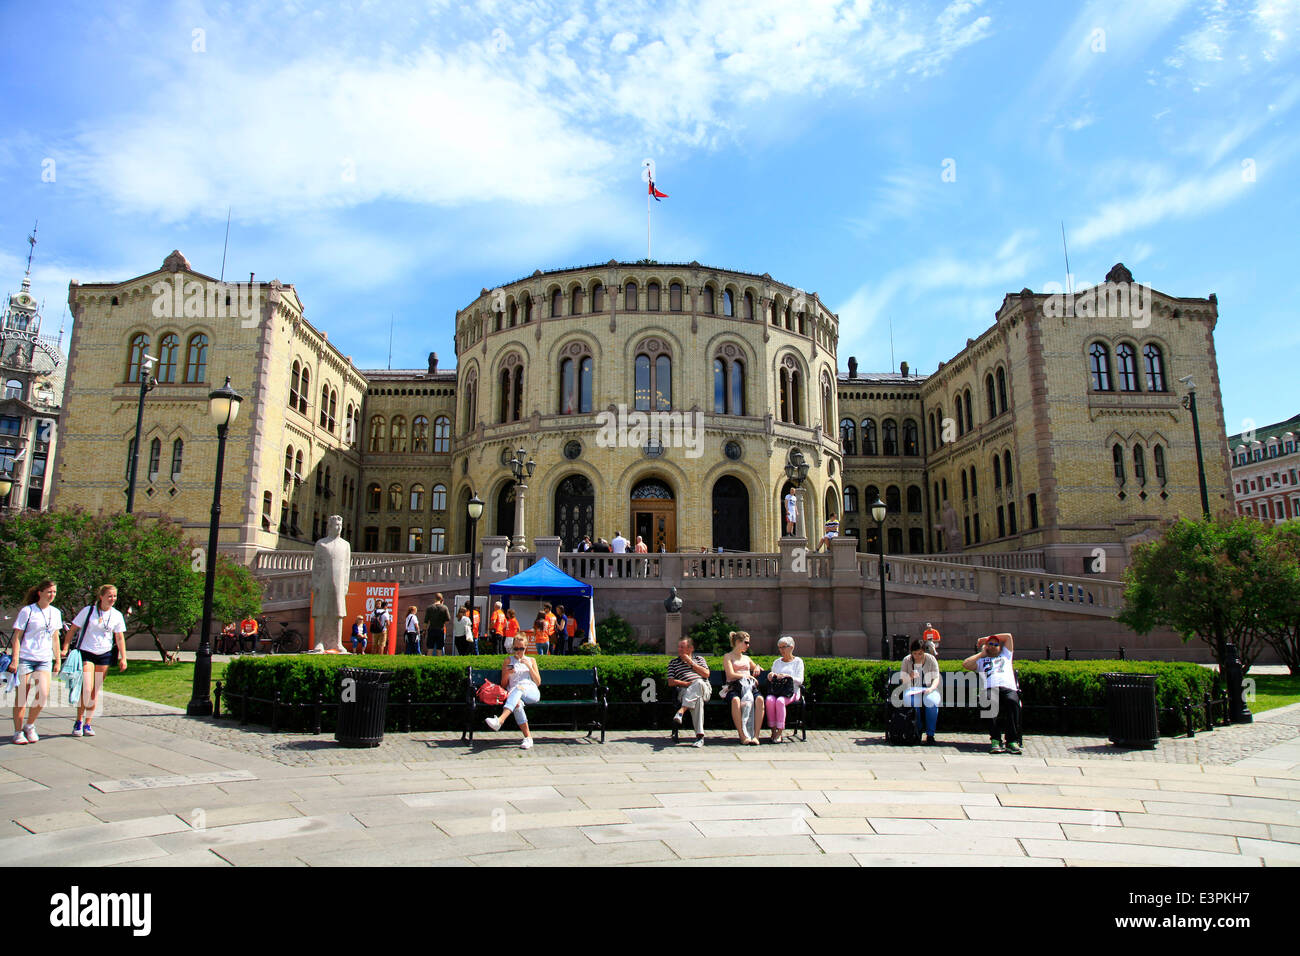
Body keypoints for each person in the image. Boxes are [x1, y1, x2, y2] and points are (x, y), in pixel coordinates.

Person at [62, 584, 128, 737]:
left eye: (115, 596)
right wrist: (65, 647)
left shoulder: (116, 615)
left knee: (94, 691)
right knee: (87, 688)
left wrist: (123, 657)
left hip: (104, 654)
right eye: (109, 596)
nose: (112, 599)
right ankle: (78, 720)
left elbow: (119, 637)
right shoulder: (89, 611)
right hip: (87, 652)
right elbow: (73, 629)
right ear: (101, 596)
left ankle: (88, 723)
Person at [8, 580, 63, 745]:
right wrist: (15, 659)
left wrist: (57, 659)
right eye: (49, 591)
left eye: (54, 592)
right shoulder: (28, 611)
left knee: (43, 694)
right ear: (40, 593)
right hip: (26, 658)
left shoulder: (55, 612)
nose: (52, 595)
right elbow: (17, 636)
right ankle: (18, 732)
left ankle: (29, 725)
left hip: (44, 659)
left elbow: (55, 637)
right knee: (22, 697)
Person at [963, 632, 1021, 754]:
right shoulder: (981, 661)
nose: (994, 645)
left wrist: (986, 639)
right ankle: (995, 739)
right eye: (991, 644)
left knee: (1012, 702)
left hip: (1008, 688)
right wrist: (983, 653)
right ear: (986, 647)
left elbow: (1008, 636)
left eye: (996, 644)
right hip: (990, 689)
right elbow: (966, 664)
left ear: (1000, 647)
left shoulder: (1006, 655)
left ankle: (1011, 741)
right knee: (988, 702)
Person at [484, 636, 542, 749]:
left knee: (519, 688)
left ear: (526, 647)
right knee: (517, 704)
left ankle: (500, 720)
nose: (518, 651)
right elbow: (504, 685)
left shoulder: (531, 660)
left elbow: (538, 682)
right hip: (514, 695)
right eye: (516, 649)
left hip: (531, 692)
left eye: (521, 649)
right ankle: (528, 738)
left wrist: (529, 667)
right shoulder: (508, 660)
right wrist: (507, 673)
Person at [721, 630, 764, 745]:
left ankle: (756, 736)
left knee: (759, 700)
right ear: (738, 642)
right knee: (735, 700)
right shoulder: (728, 656)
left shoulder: (747, 658)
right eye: (746, 642)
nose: (748, 645)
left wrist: (757, 667)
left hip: (749, 687)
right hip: (734, 687)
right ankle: (742, 735)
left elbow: (756, 667)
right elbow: (730, 675)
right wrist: (747, 675)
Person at [667, 637, 710, 747]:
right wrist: (686, 684)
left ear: (691, 648)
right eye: (679, 647)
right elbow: (671, 682)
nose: (679, 649)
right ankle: (700, 737)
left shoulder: (699, 659)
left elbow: (706, 674)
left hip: (704, 688)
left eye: (682, 647)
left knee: (699, 682)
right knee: (698, 700)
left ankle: (681, 711)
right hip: (685, 691)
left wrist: (690, 662)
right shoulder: (673, 663)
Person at [900, 638, 940, 745]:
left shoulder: (931, 659)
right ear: (911, 653)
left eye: (920, 653)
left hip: (928, 688)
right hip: (912, 688)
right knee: (912, 702)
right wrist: (910, 676)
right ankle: (916, 730)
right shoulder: (907, 660)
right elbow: (903, 680)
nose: (917, 656)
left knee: (931, 702)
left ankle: (930, 734)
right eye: (915, 654)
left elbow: (936, 678)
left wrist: (931, 688)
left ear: (924, 652)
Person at [765, 636, 804, 744]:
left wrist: (788, 676)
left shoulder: (798, 662)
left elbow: (800, 680)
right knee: (769, 700)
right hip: (777, 690)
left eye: (783, 647)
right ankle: (773, 729)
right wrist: (771, 675)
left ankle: (780, 731)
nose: (781, 650)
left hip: (791, 691)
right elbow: (773, 677)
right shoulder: (777, 662)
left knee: (780, 701)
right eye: (779, 648)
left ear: (791, 647)